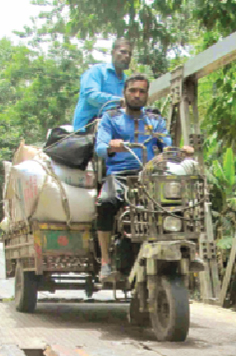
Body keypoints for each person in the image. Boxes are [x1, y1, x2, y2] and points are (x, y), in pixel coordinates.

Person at [94, 74, 192, 281]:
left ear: (147, 95)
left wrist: (180, 151)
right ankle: (105, 262)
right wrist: (112, 145)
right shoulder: (111, 118)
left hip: (151, 176)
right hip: (120, 175)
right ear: (125, 93)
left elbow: (167, 146)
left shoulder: (155, 121)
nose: (137, 95)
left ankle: (191, 250)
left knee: (182, 201)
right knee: (105, 203)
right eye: (133, 91)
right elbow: (100, 148)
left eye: (142, 91)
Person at [72, 38, 132, 132]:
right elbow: (91, 96)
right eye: (123, 52)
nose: (127, 56)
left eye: (129, 54)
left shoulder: (127, 81)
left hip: (115, 124)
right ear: (113, 52)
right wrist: (118, 101)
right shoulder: (97, 71)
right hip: (88, 126)